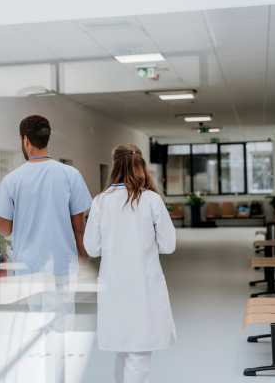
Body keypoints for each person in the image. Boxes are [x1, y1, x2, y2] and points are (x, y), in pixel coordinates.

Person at [0, 115, 92, 382]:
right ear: (48, 138)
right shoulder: (70, 175)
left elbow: (4, 229)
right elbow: (79, 226)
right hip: (61, 266)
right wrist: (83, 261)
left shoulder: (12, 180)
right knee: (60, 330)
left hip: (28, 269)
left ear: (25, 140)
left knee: (38, 327)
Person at [84, 143, 176, 383]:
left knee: (123, 350)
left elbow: (91, 248)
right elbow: (169, 245)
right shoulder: (152, 200)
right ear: (141, 164)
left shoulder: (101, 201)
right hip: (143, 286)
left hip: (113, 285)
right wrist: (142, 244)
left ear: (114, 166)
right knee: (139, 353)